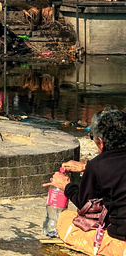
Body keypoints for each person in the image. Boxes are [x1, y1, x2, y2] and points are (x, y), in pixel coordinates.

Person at [46, 109, 126, 256]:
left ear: (101, 142)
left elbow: (87, 206)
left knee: (65, 219)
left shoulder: (98, 165)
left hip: (121, 243)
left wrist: (66, 186)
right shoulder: (96, 166)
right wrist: (86, 166)